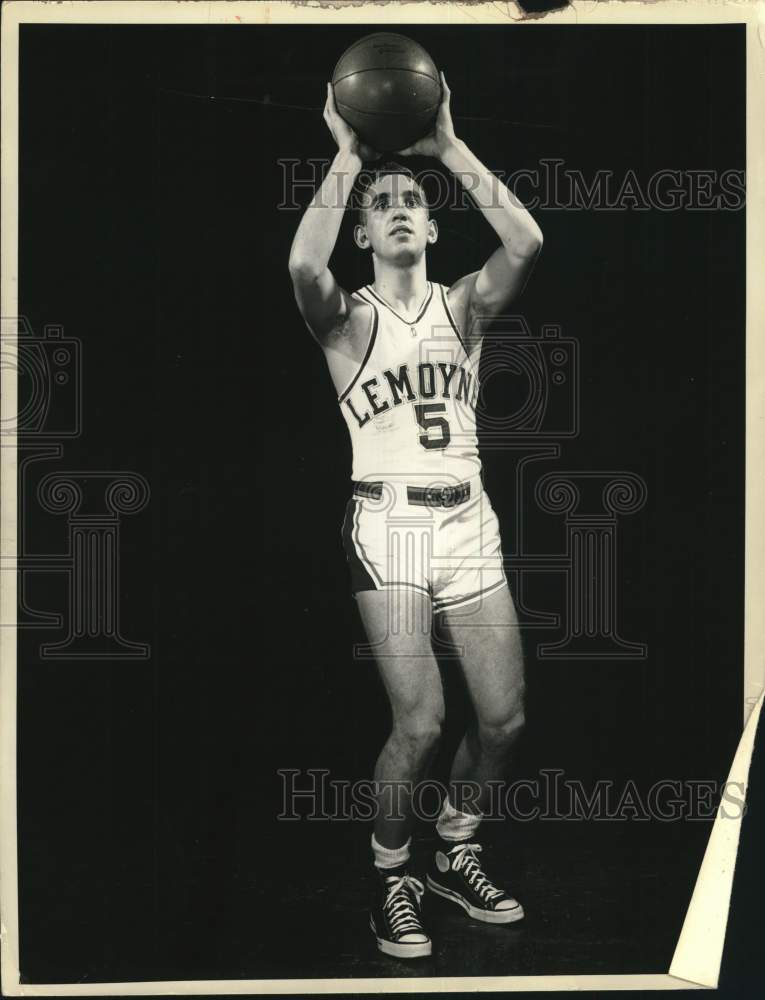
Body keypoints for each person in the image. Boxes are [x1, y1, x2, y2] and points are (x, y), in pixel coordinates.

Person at [288, 73, 543, 959]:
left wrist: (447, 148)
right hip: (388, 528)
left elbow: (526, 239)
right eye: (381, 204)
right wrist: (346, 156)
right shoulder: (346, 324)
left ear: (432, 228)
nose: (398, 209)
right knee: (422, 721)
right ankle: (390, 873)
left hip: (467, 523)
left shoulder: (463, 306)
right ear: (362, 232)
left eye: (412, 202)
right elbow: (303, 267)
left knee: (503, 720)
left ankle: (454, 851)